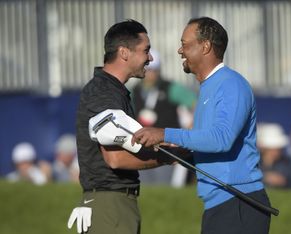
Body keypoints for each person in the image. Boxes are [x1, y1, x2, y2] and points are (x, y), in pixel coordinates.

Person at [132, 17, 271, 234]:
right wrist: (179, 152)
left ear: (205, 46)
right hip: (220, 204)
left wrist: (164, 133)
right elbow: (208, 142)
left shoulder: (231, 83)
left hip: (238, 203)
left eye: (185, 44)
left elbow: (221, 139)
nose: (180, 50)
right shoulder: (208, 87)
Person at [68, 19, 175, 234]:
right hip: (110, 207)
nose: (150, 58)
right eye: (146, 50)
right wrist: (172, 156)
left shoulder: (112, 90)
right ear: (124, 52)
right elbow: (115, 159)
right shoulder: (104, 91)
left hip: (111, 205)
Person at [131, 49, 196, 186]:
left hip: (167, 147)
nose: (150, 73)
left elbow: (195, 103)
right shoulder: (134, 90)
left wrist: (193, 125)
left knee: (164, 185)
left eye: (154, 70)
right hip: (141, 147)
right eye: (148, 69)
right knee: (145, 189)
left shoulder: (170, 88)